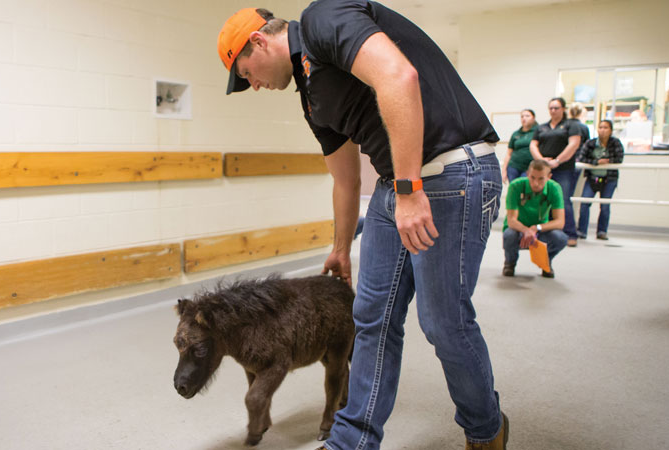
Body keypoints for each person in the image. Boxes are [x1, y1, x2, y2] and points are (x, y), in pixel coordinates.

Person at [218, 2, 508, 449]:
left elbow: (398, 76)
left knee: (443, 322)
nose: (252, 85)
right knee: (371, 318)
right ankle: (351, 441)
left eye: (245, 74)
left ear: (257, 41)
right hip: (397, 187)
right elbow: (346, 178)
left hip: (452, 170)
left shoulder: (323, 19)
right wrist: (340, 246)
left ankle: (486, 428)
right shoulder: (311, 97)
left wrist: (410, 190)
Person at [502, 159, 568, 278]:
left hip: (540, 232)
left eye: (541, 179)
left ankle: (546, 262)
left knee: (561, 238)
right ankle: (510, 263)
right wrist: (526, 230)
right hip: (519, 231)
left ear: (549, 177)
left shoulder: (555, 188)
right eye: (532, 177)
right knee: (509, 235)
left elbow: (560, 222)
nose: (536, 183)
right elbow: (511, 220)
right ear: (527, 174)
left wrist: (536, 228)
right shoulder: (516, 186)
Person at [530, 97, 581, 247]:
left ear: (563, 109)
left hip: (563, 169)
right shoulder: (542, 127)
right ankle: (540, 231)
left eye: (556, 108)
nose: (553, 111)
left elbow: (573, 144)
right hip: (543, 170)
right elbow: (533, 145)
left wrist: (556, 161)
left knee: (563, 200)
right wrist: (543, 162)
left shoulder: (571, 125)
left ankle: (571, 234)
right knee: (540, 200)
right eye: (551, 108)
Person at [577, 120, 623, 240]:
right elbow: (581, 157)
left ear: (611, 130)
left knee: (605, 206)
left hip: (609, 179)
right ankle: (581, 231)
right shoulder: (590, 143)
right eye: (600, 127)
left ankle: (602, 231)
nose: (602, 130)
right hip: (593, 178)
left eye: (606, 127)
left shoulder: (615, 143)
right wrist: (596, 162)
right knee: (584, 203)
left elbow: (619, 158)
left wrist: (607, 160)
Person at [501, 109, 537, 183]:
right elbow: (508, 153)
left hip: (530, 167)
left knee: (525, 191)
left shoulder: (538, 132)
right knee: (514, 189)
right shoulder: (516, 134)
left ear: (533, 118)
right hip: (513, 167)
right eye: (522, 116)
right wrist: (504, 170)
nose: (524, 118)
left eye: (527, 116)